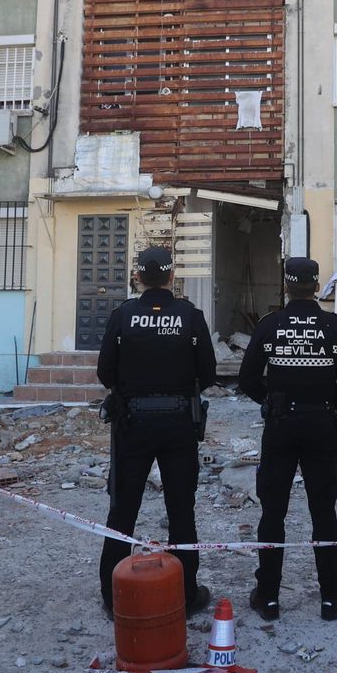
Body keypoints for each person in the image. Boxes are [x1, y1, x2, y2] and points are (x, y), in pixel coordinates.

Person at [239, 257, 337, 622]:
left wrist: (272, 398)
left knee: (272, 510)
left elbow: (247, 378)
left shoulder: (271, 325)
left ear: (286, 284)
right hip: (321, 424)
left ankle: (268, 597)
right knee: (323, 511)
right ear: (317, 284)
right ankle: (330, 597)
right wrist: (327, 401)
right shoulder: (334, 325)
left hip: (280, 425)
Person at [97, 245, 218, 615]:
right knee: (181, 509)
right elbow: (209, 373)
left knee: (122, 509)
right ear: (171, 275)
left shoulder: (123, 316)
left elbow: (105, 373)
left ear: (138, 276)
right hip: (179, 423)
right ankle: (184, 594)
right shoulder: (189, 316)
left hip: (132, 424)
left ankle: (111, 594)